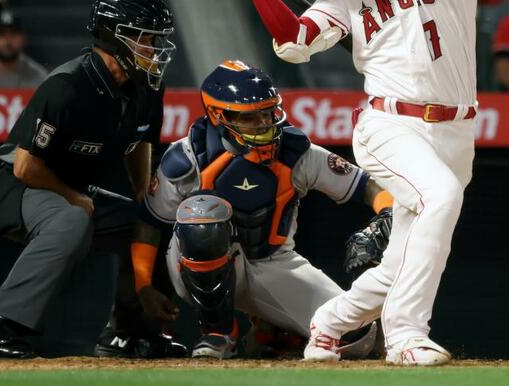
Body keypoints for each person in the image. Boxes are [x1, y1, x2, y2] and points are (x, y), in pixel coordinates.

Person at [219, 0, 478, 366]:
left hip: (457, 127)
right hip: (390, 123)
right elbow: (295, 43)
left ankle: (331, 322)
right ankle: (405, 336)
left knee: (409, 247)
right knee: (438, 200)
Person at [0, 0, 182, 359]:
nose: (155, 49)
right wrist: (73, 197)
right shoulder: (68, 85)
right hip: (10, 185)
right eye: (147, 38)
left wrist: (143, 194)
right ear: (116, 36)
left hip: (67, 185)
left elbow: (140, 140)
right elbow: (26, 166)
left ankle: (128, 332)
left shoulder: (148, 84)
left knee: (151, 220)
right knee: (71, 220)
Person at [133, 60, 386, 359]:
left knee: (358, 337)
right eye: (250, 117)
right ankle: (218, 333)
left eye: (268, 112)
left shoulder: (295, 153)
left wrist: (386, 214)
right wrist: (143, 286)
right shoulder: (187, 157)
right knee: (203, 217)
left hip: (272, 260)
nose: (265, 123)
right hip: (196, 265)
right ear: (218, 115)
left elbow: (368, 187)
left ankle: (275, 334)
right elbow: (149, 224)